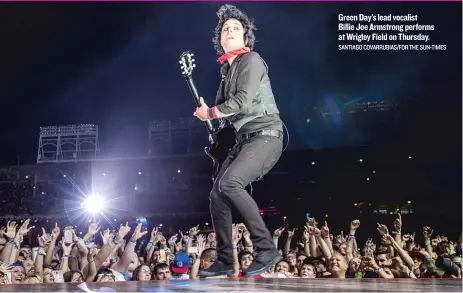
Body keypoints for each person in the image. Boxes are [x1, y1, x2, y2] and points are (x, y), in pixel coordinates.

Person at [193, 4, 284, 278]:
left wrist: (209, 111)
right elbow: (225, 119)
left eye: (235, 28)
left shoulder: (252, 60)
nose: (229, 31)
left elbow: (241, 102)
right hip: (244, 140)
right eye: (225, 29)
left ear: (245, 37)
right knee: (217, 195)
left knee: (230, 183)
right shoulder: (225, 75)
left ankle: (266, 248)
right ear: (220, 41)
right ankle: (225, 259)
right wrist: (211, 121)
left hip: (267, 135)